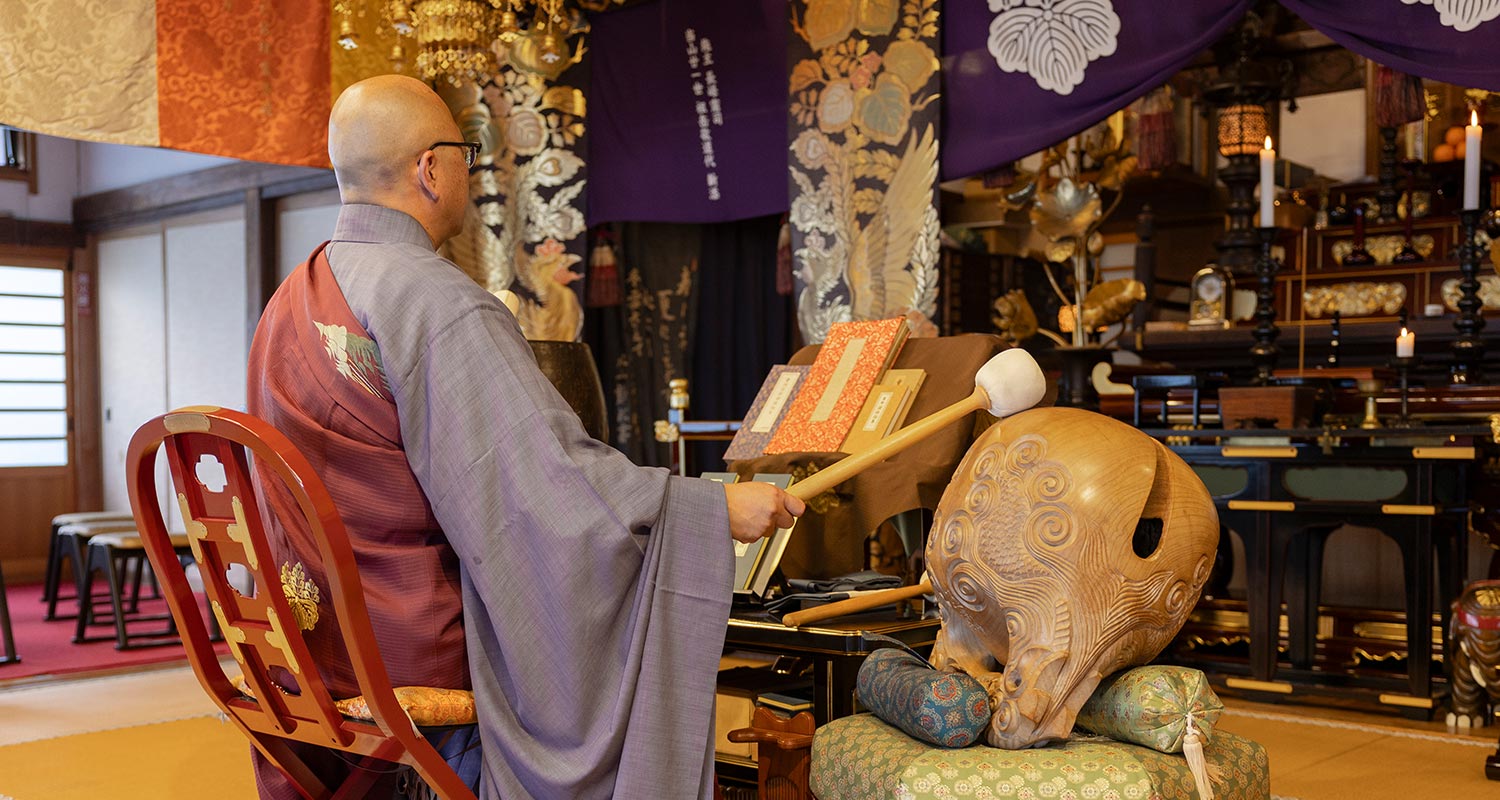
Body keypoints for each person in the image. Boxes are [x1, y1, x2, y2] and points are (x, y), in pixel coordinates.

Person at [246, 74, 804, 800]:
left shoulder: (295, 294)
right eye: (466, 153)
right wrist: (706, 510)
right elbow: (543, 492)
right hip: (404, 648)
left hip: (313, 647)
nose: (469, 173)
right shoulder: (432, 299)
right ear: (431, 168)